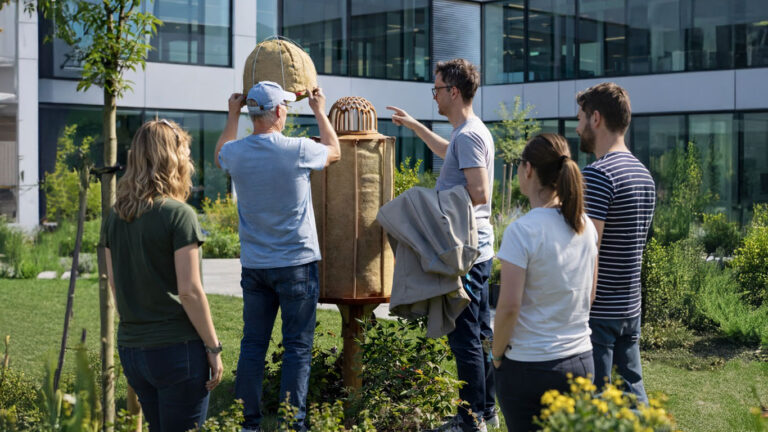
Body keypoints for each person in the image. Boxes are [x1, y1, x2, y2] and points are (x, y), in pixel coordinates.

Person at [214, 81, 340, 431]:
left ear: (252, 113)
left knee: (253, 345)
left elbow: (220, 151)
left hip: (255, 267)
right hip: (297, 264)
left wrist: (232, 114)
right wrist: (318, 110)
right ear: (280, 112)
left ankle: (247, 424)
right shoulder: (297, 149)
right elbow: (334, 150)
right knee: (297, 348)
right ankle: (290, 424)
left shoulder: (236, 153)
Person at [387, 58, 497, 432]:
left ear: (453, 91)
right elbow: (448, 152)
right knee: (480, 333)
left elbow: (479, 192)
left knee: (464, 336)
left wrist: (432, 209)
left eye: (436, 89)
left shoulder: (468, 136)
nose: (433, 95)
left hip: (465, 251)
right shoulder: (469, 133)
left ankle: (471, 420)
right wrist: (415, 125)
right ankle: (487, 411)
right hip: (481, 247)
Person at [105, 119, 223, 432]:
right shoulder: (178, 214)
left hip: (133, 350)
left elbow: (115, 285)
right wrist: (213, 348)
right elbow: (190, 291)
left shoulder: (115, 216)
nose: (189, 161)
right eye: (185, 153)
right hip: (176, 350)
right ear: (171, 159)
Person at [492, 133, 598, 432]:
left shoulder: (522, 231)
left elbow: (509, 307)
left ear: (527, 169)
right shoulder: (585, 226)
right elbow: (589, 295)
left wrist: (497, 355)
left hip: (530, 370)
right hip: (580, 361)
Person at [576, 82, 656, 404]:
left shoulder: (598, 174)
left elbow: (588, 251)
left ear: (596, 118)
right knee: (632, 394)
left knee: (595, 402)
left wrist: (582, 308)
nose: (578, 126)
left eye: (580, 117)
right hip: (630, 308)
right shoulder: (644, 175)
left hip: (600, 312)